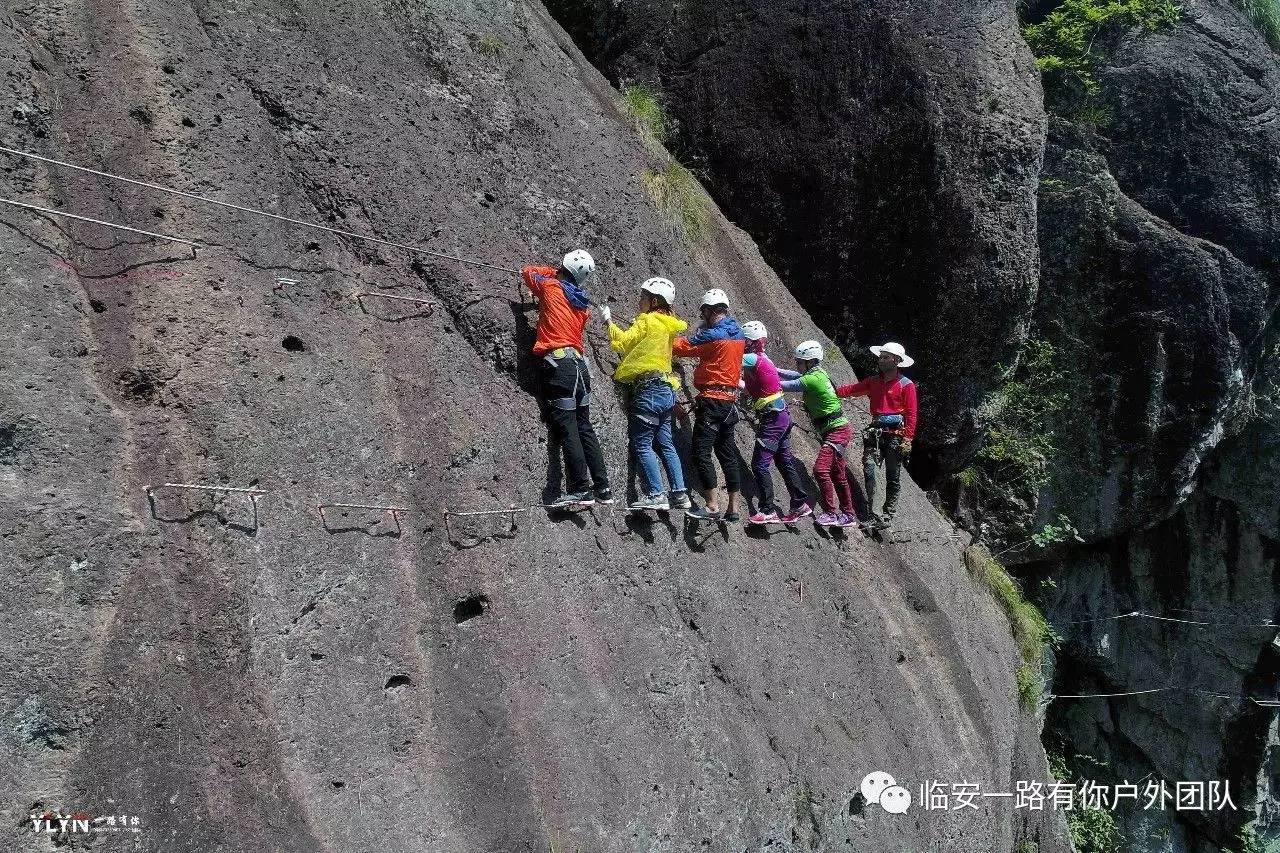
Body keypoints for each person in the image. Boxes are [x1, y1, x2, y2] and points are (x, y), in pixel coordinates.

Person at [521, 250, 611, 508]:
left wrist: (553, 272)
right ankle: (602, 487)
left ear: (563, 267)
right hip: (580, 368)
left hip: (560, 366)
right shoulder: (582, 305)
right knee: (584, 426)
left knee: (568, 426)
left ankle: (581, 489)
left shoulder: (550, 287)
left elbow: (528, 272)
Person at [603, 277, 692, 511]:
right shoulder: (668, 325)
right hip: (666, 391)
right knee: (666, 442)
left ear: (653, 301)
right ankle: (680, 494)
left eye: (642, 297)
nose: (639, 301)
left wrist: (608, 322)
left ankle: (656, 494)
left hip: (648, 390)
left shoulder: (647, 320)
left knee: (642, 443)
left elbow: (623, 342)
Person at [672, 289, 745, 522]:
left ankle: (712, 505)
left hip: (712, 401)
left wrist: (661, 337)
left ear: (711, 311)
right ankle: (733, 509)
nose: (702, 315)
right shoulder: (738, 334)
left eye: (704, 311)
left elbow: (682, 347)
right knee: (727, 454)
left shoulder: (713, 335)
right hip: (730, 402)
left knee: (701, 451)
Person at [778, 340, 859, 529]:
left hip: (836, 431)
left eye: (800, 361)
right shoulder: (817, 373)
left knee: (820, 470)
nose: (797, 364)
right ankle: (848, 514)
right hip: (837, 429)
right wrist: (774, 369)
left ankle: (831, 513)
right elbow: (795, 375)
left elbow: (789, 384)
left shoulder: (813, 378)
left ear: (811, 361)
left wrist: (764, 375)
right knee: (838, 474)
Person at [837, 341, 918, 524]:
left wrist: (908, 439)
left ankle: (887, 516)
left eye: (885, 357)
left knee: (892, 476)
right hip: (875, 432)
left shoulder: (906, 385)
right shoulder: (873, 381)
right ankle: (874, 513)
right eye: (880, 357)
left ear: (896, 360)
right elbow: (852, 390)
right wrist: (831, 392)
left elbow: (912, 413)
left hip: (896, 435)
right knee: (869, 469)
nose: (880, 360)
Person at [739, 321, 812, 524]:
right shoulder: (764, 359)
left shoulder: (752, 358)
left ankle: (768, 509)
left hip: (772, 419)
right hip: (781, 416)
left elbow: (729, 358)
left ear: (750, 342)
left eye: (743, 341)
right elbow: (752, 388)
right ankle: (799, 503)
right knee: (783, 460)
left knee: (759, 464)